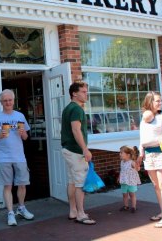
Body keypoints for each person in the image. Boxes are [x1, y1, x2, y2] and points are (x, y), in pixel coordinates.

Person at [0, 89, 34, 226]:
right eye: (5, 100)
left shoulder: (20, 116)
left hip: (19, 156)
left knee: (22, 184)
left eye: (10, 100)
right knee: (7, 185)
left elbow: (26, 137)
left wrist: (22, 133)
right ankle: (10, 213)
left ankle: (21, 208)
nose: (8, 102)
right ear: (1, 102)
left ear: (14, 101)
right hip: (4, 157)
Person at [61, 80, 96, 225]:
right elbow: (76, 130)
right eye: (83, 92)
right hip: (75, 151)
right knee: (80, 183)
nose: (86, 94)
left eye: (86, 91)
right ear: (74, 94)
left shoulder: (68, 108)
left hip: (67, 149)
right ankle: (81, 214)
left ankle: (73, 211)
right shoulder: (76, 109)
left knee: (72, 182)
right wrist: (85, 149)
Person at [137, 91, 162, 228]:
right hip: (148, 155)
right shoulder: (144, 119)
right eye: (157, 101)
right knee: (156, 186)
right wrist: (140, 156)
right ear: (149, 102)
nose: (160, 103)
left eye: (160, 100)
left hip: (161, 154)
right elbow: (142, 138)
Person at [119, 145, 142, 213]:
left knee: (132, 194)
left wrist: (137, 165)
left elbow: (137, 169)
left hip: (131, 181)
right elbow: (122, 170)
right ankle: (126, 206)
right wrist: (119, 177)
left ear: (128, 155)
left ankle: (133, 207)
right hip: (124, 181)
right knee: (124, 194)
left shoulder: (132, 162)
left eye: (121, 153)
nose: (120, 154)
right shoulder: (122, 162)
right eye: (120, 152)